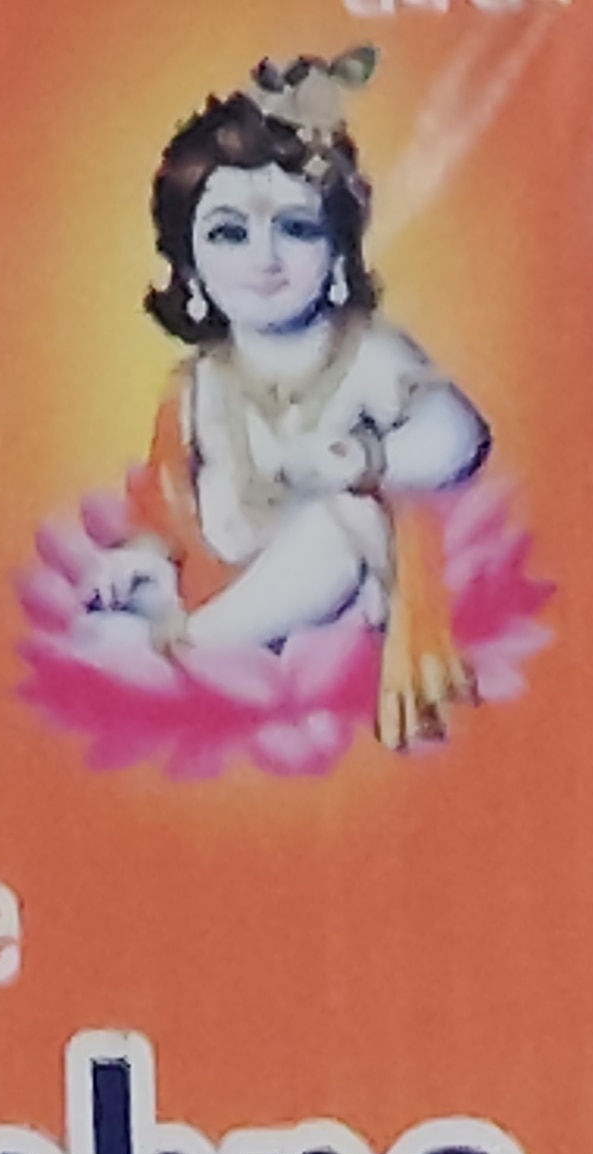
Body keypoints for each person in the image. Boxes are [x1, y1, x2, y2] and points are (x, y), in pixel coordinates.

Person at [89, 51, 491, 750]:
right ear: (189, 267)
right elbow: (161, 509)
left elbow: (458, 433)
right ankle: (181, 633)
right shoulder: (194, 386)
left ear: (338, 253)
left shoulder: (368, 355)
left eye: (296, 228)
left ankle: (184, 647)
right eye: (229, 233)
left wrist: (366, 458)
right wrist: (142, 559)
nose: (264, 259)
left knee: (341, 520)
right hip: (218, 580)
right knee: (113, 596)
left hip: (334, 598)